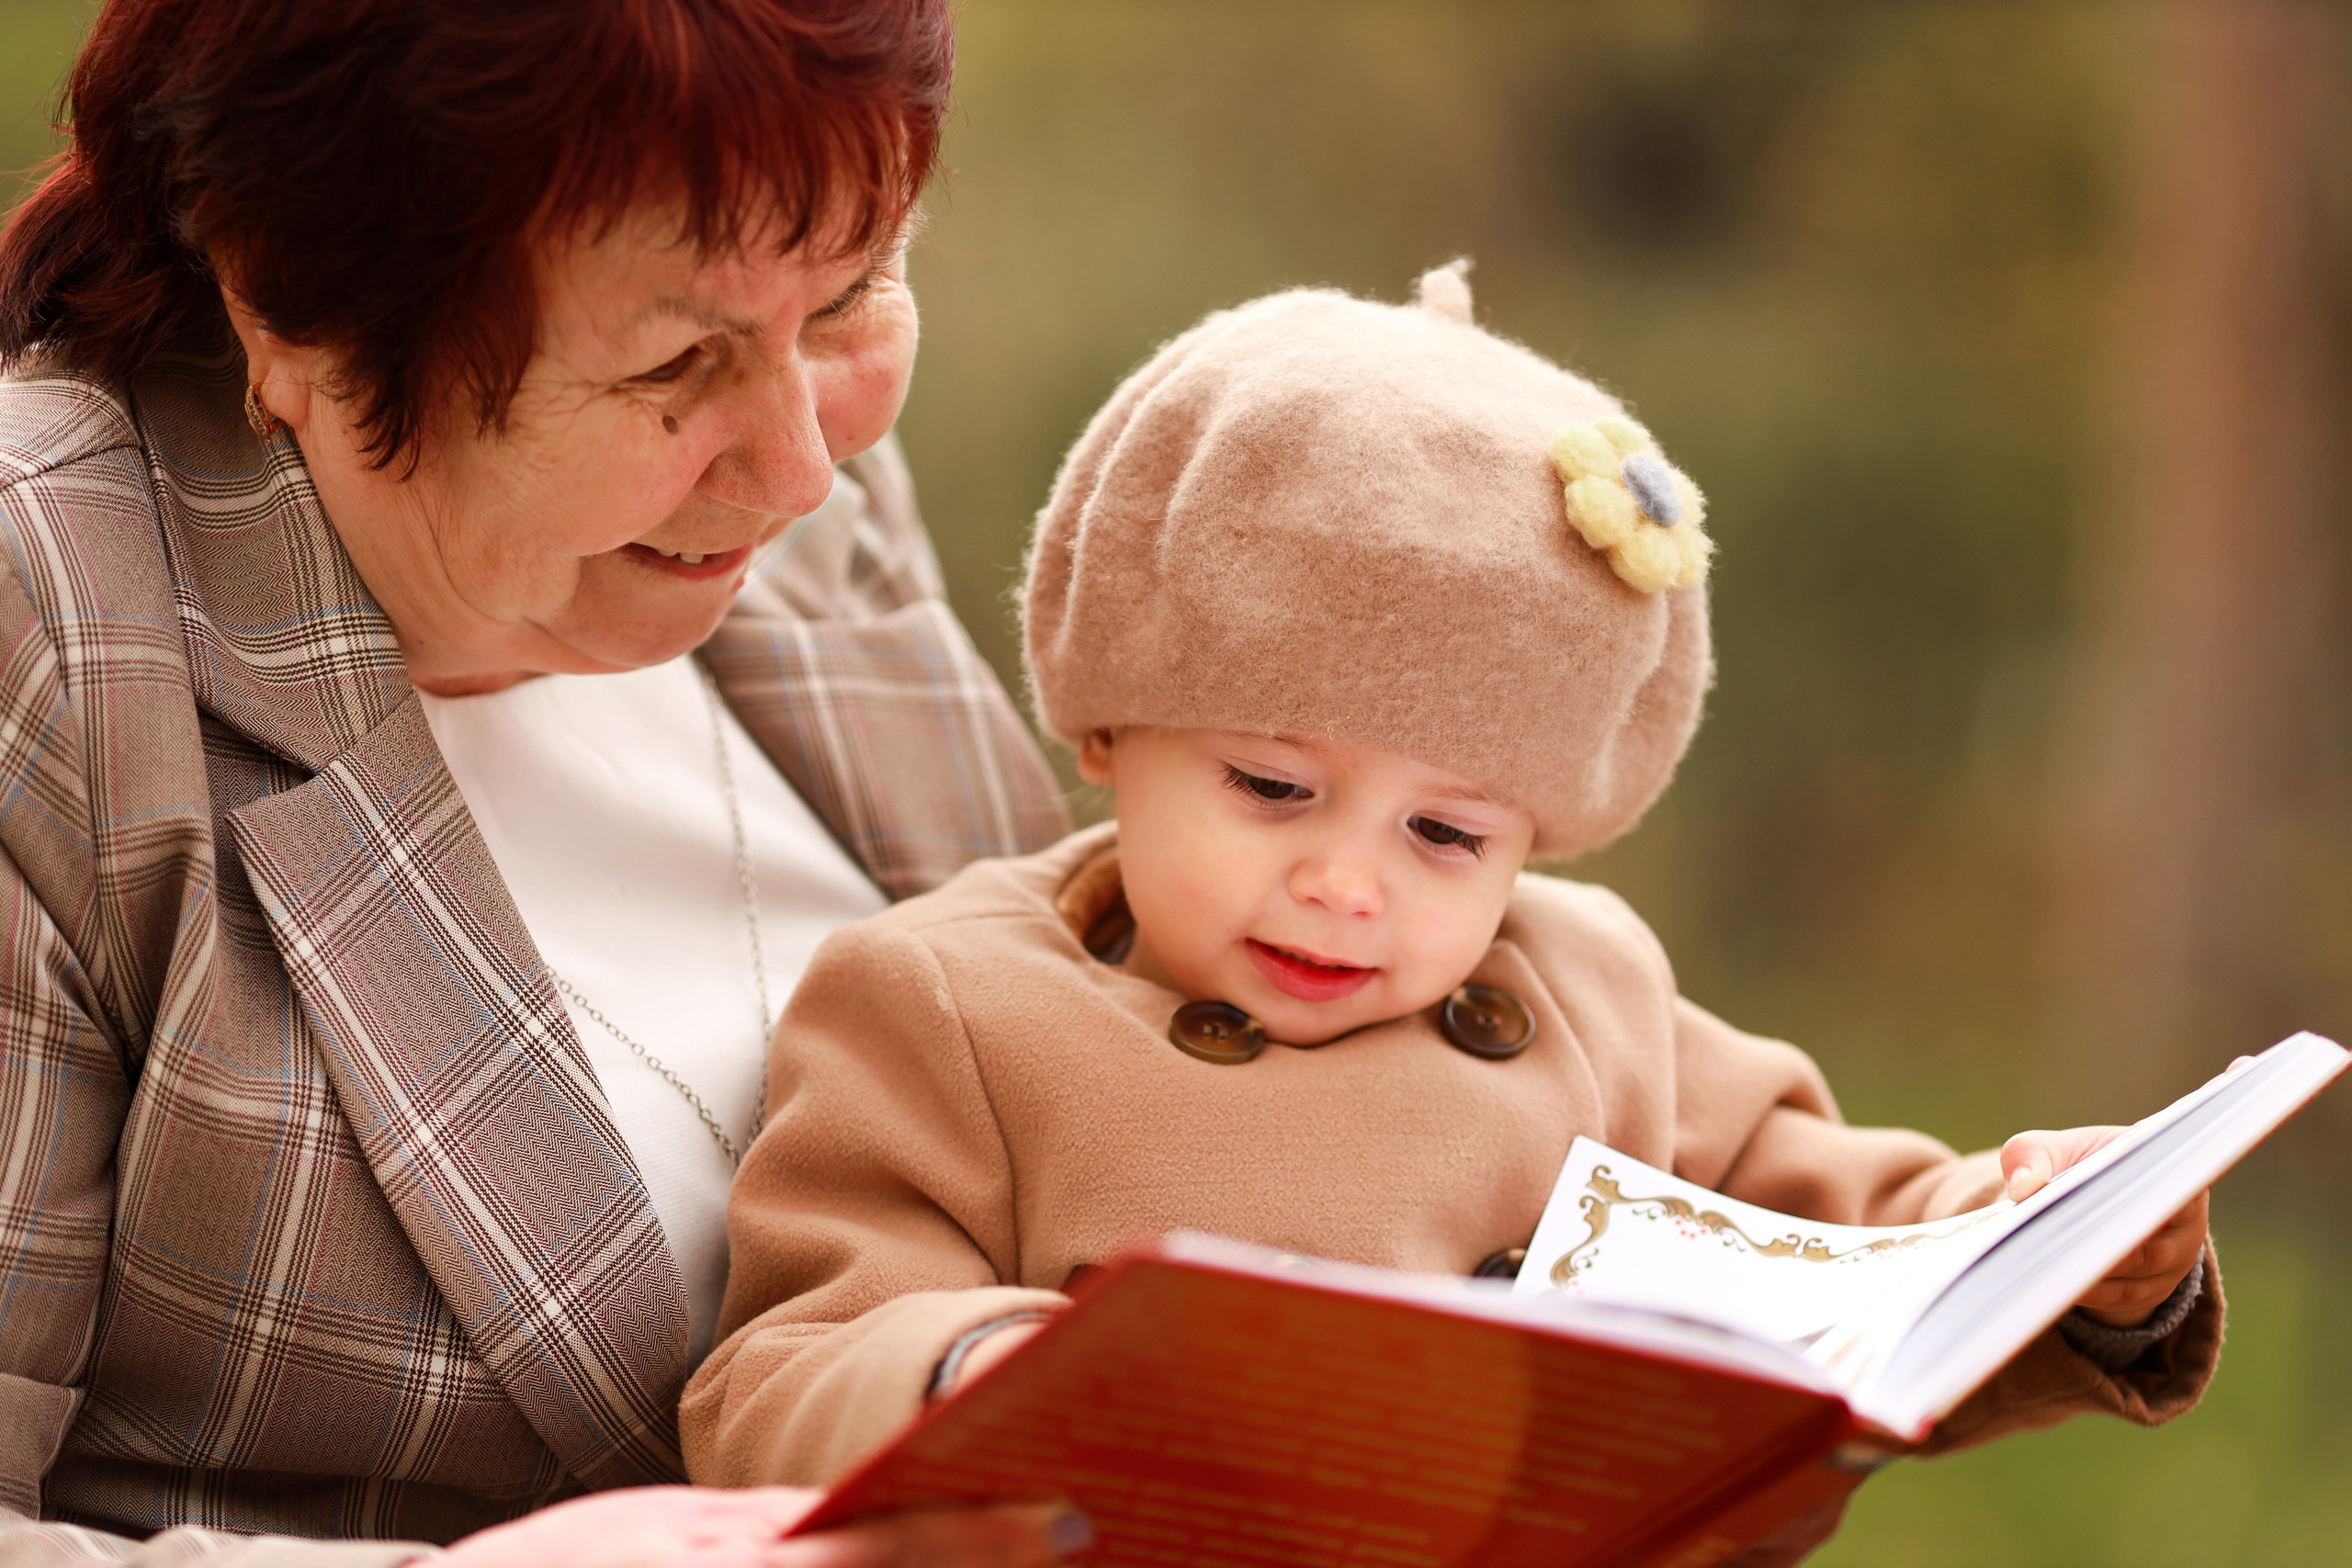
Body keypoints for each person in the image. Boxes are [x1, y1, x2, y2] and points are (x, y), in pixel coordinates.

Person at [679, 268, 2222, 1556]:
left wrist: (2049, 1241)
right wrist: (979, 1372)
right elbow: (789, 1359)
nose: (1349, 882)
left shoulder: (1586, 986)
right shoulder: (948, 1007)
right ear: (1108, 724)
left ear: (1535, 835)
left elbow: (1821, 1231)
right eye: (1272, 787)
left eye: (1447, 832)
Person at [0, 1, 1089, 1562]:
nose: (800, 467)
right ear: (293, 312)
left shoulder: (772, 512)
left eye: (852, 295)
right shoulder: (45, 613)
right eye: (671, 362)